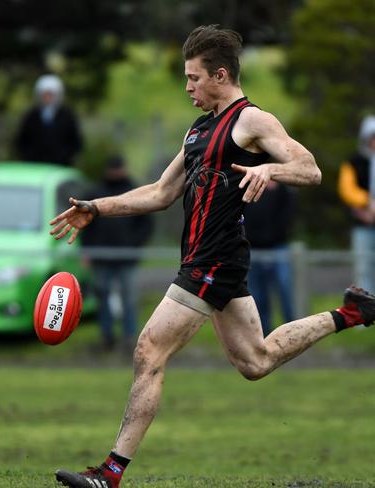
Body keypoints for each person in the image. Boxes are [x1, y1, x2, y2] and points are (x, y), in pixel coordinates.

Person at [49, 25, 375, 488]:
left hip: (213, 259)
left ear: (220, 76)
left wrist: (269, 168)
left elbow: (311, 169)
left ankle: (110, 473)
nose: (188, 88)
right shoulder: (199, 130)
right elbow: (161, 193)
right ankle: (350, 313)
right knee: (255, 362)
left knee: (149, 349)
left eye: (194, 78)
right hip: (211, 260)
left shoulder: (252, 121)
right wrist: (97, 208)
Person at [81, 155, 154, 354]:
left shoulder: (135, 191)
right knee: (102, 296)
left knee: (129, 299)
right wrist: (87, 250)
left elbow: (146, 225)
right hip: (101, 256)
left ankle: (130, 338)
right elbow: (86, 226)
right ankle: (107, 337)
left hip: (126, 257)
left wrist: (134, 244)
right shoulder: (95, 193)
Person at [243, 181, 296, 336]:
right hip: (253, 248)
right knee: (257, 294)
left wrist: (273, 237)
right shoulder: (249, 188)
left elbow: (288, 217)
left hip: (278, 247)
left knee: (285, 289)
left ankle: (293, 331)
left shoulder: (285, 191)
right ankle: (264, 334)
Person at [338, 115, 375, 293]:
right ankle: (365, 312)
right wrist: (367, 202)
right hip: (363, 225)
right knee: (363, 270)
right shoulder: (354, 162)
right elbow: (347, 190)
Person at [14, 74, 83, 166]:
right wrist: (30, 156)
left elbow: (76, 142)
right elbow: (22, 141)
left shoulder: (67, 115)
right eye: (45, 94)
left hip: (60, 165)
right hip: (35, 165)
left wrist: (64, 156)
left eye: (51, 94)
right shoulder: (31, 116)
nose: (47, 97)